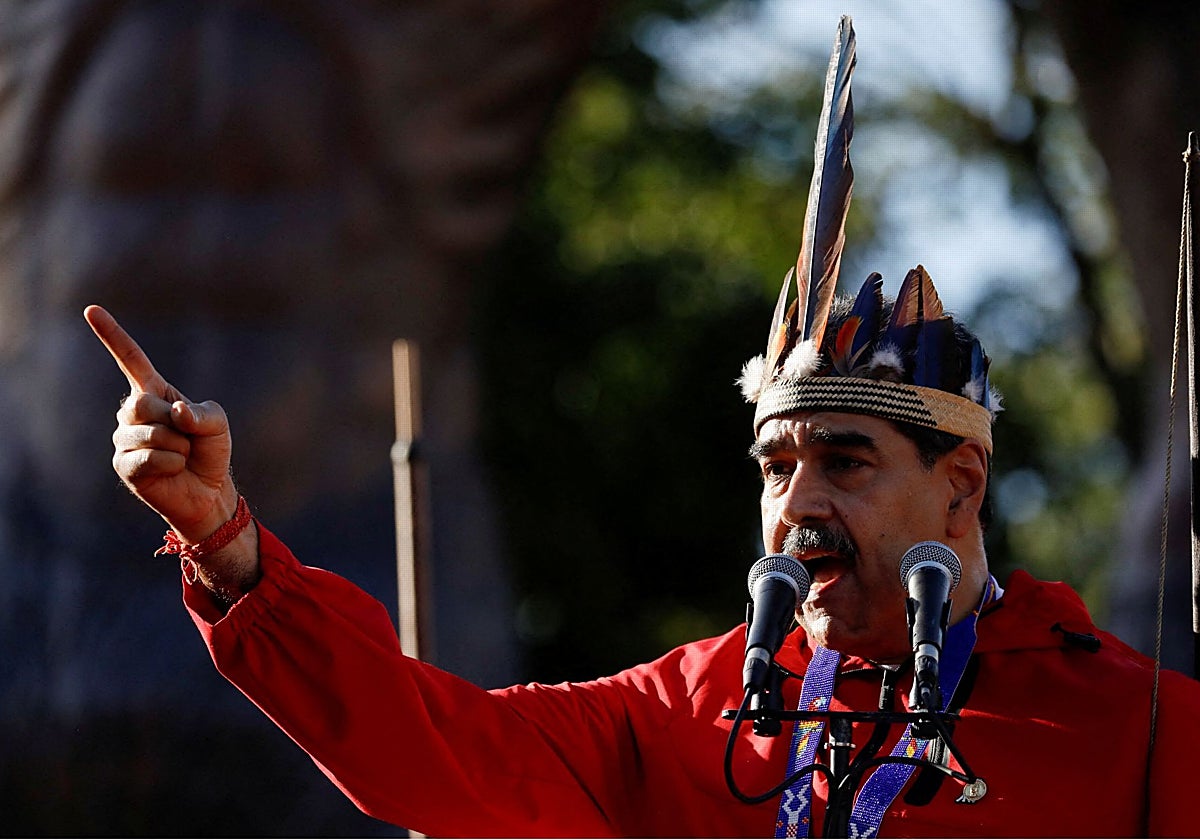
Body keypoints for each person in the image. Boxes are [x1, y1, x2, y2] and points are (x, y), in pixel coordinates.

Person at [84, 16, 1200, 839]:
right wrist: (229, 545)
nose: (799, 504)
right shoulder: (680, 711)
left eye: (847, 461)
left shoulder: (1138, 729)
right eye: (776, 465)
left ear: (963, 479)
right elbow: (430, 749)